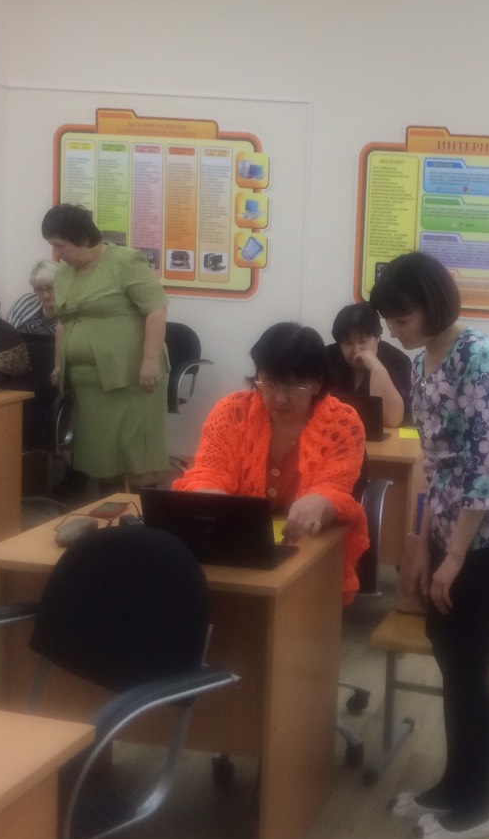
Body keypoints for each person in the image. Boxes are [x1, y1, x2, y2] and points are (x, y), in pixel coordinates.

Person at [368, 252, 489, 839]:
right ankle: (455, 784)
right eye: (389, 320)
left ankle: (481, 806)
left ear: (433, 304)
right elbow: (433, 462)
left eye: (402, 317)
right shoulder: (427, 360)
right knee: (450, 656)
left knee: (469, 665)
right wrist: (422, 542)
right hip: (453, 528)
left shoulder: (480, 355)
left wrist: (455, 555)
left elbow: (486, 467)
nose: (395, 330)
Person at [172, 322, 370, 600]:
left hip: (304, 547)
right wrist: (210, 498)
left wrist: (321, 502)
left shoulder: (343, 423)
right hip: (237, 547)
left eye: (294, 385)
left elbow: (334, 489)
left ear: (317, 383)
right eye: (270, 382)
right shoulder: (232, 412)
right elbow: (208, 471)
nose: (279, 397)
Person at [42, 203, 169, 490]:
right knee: (101, 457)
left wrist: (150, 361)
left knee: (136, 456)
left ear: (83, 238)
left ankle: (142, 511)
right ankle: (111, 512)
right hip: (88, 384)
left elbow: (156, 311)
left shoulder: (125, 262)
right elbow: (63, 321)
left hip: (132, 376)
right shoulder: (63, 273)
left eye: (61, 245)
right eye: (53, 246)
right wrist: (59, 363)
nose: (57, 253)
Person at [325, 302, 412, 427]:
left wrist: (376, 367)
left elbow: (393, 420)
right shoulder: (327, 357)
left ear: (378, 337)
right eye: (348, 343)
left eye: (363, 341)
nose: (356, 350)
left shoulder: (398, 361)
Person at [6, 259, 59, 335]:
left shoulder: (72, 314)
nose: (45, 295)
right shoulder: (24, 303)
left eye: (50, 287)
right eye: (39, 289)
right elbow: (6, 333)